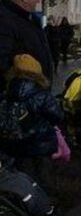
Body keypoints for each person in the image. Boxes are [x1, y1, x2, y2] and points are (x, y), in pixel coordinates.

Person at [0, 54, 64, 182]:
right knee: (41, 179)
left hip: (12, 145)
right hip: (40, 144)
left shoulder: (6, 93)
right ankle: (41, 198)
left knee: (20, 180)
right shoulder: (41, 94)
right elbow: (57, 116)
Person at [0, 0, 54, 81]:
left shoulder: (27, 19)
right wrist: (23, 88)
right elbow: (3, 65)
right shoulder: (5, 21)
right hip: (20, 95)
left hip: (34, 94)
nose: (38, 1)